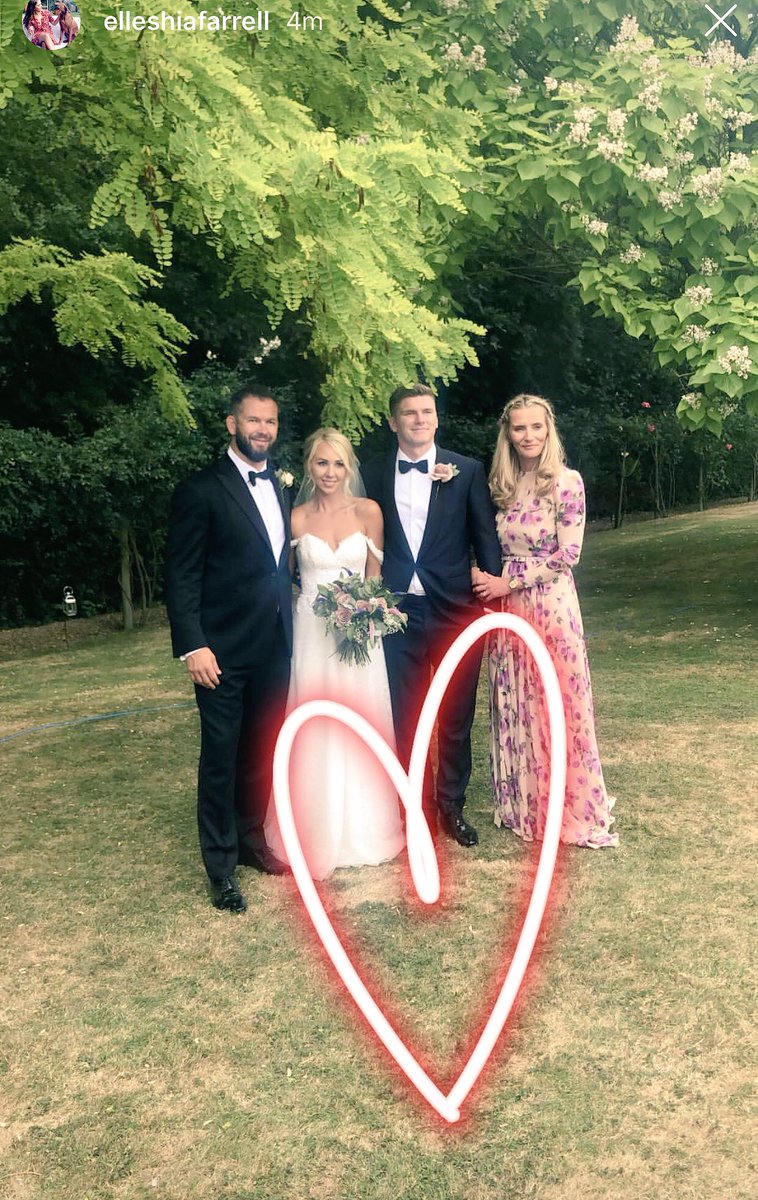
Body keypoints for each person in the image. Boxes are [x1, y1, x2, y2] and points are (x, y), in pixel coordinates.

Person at [165, 385, 293, 913]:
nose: (262, 429)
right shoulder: (201, 489)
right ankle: (220, 869)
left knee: (261, 751)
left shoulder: (281, 487)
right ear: (231, 424)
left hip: (273, 648)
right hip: (219, 653)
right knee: (220, 758)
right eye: (253, 421)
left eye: (269, 422)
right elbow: (181, 575)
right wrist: (193, 645)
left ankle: (250, 842)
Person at [472, 394, 619, 848]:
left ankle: (567, 804)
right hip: (510, 609)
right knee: (517, 698)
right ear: (508, 434)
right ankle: (525, 802)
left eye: (536, 427)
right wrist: (487, 578)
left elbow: (568, 554)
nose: (528, 436)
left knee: (557, 699)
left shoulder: (566, 482)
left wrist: (507, 585)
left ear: (549, 429)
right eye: (519, 428)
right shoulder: (502, 483)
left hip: (550, 605)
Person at [361, 385, 502, 847]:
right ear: (392, 422)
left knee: (455, 715)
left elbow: (487, 544)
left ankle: (451, 806)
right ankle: (413, 809)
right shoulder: (373, 473)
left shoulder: (465, 470)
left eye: (426, 412)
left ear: (437, 419)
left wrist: (488, 604)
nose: (419, 420)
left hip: (456, 613)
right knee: (407, 716)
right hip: (396, 614)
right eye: (408, 413)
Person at [264, 429, 405, 880]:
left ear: (350, 467)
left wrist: (366, 614)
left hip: (359, 638)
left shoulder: (369, 513)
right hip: (312, 635)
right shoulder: (298, 517)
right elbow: (284, 579)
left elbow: (375, 578)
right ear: (309, 467)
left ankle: (366, 826)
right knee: (313, 724)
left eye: (338, 464)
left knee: (361, 721)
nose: (330, 472)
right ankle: (311, 824)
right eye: (322, 463)